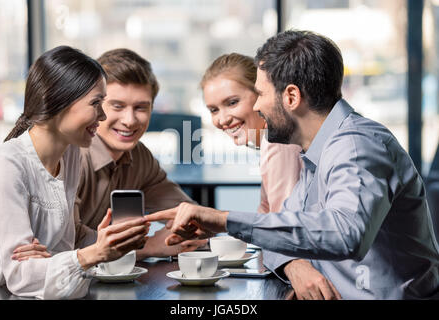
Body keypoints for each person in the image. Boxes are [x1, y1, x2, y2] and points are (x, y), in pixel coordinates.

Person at [146, 30, 439, 299]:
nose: (257, 106)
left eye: (260, 94)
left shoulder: (356, 145)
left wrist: (223, 219)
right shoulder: (313, 154)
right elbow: (280, 236)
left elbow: (344, 234)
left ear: (291, 96)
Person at [0, 46, 149, 299]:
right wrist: (93, 253)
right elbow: (20, 277)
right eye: (96, 103)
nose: (103, 115)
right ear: (58, 101)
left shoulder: (70, 154)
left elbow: (64, 246)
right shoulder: (5, 165)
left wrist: (109, 241)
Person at [201, 53, 340, 299]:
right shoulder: (274, 142)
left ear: (261, 95)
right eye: (213, 109)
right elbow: (267, 216)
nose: (222, 119)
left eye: (232, 102)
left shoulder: (278, 145)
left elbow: (282, 229)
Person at [72, 48, 206, 258]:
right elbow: (58, 247)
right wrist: (148, 247)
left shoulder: (139, 157)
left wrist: (185, 231)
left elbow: (190, 215)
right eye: (117, 106)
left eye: (141, 108)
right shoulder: (71, 157)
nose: (130, 120)